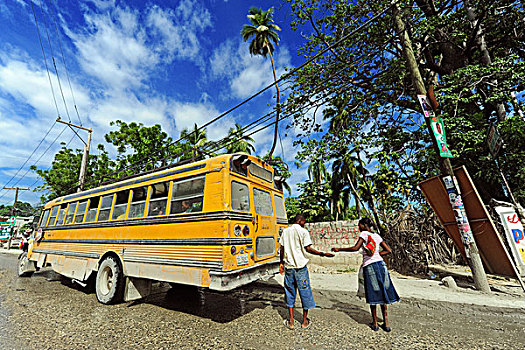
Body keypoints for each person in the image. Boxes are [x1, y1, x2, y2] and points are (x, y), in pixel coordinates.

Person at [332, 217, 400, 332]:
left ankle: (375, 323)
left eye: (359, 225)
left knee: (373, 294)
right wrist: (377, 254)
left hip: (371, 267)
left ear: (364, 225)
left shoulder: (364, 234)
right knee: (383, 293)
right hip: (381, 265)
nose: (358, 228)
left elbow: (355, 248)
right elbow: (389, 250)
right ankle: (386, 323)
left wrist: (339, 249)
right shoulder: (377, 236)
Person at [280, 214, 334, 330]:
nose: (305, 223)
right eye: (304, 221)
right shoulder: (303, 232)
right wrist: (322, 254)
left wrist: (281, 263)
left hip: (289, 267)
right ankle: (304, 322)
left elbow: (282, 248)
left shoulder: (285, 231)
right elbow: (308, 249)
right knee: (305, 292)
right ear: (301, 221)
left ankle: (291, 322)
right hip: (301, 268)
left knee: (290, 293)